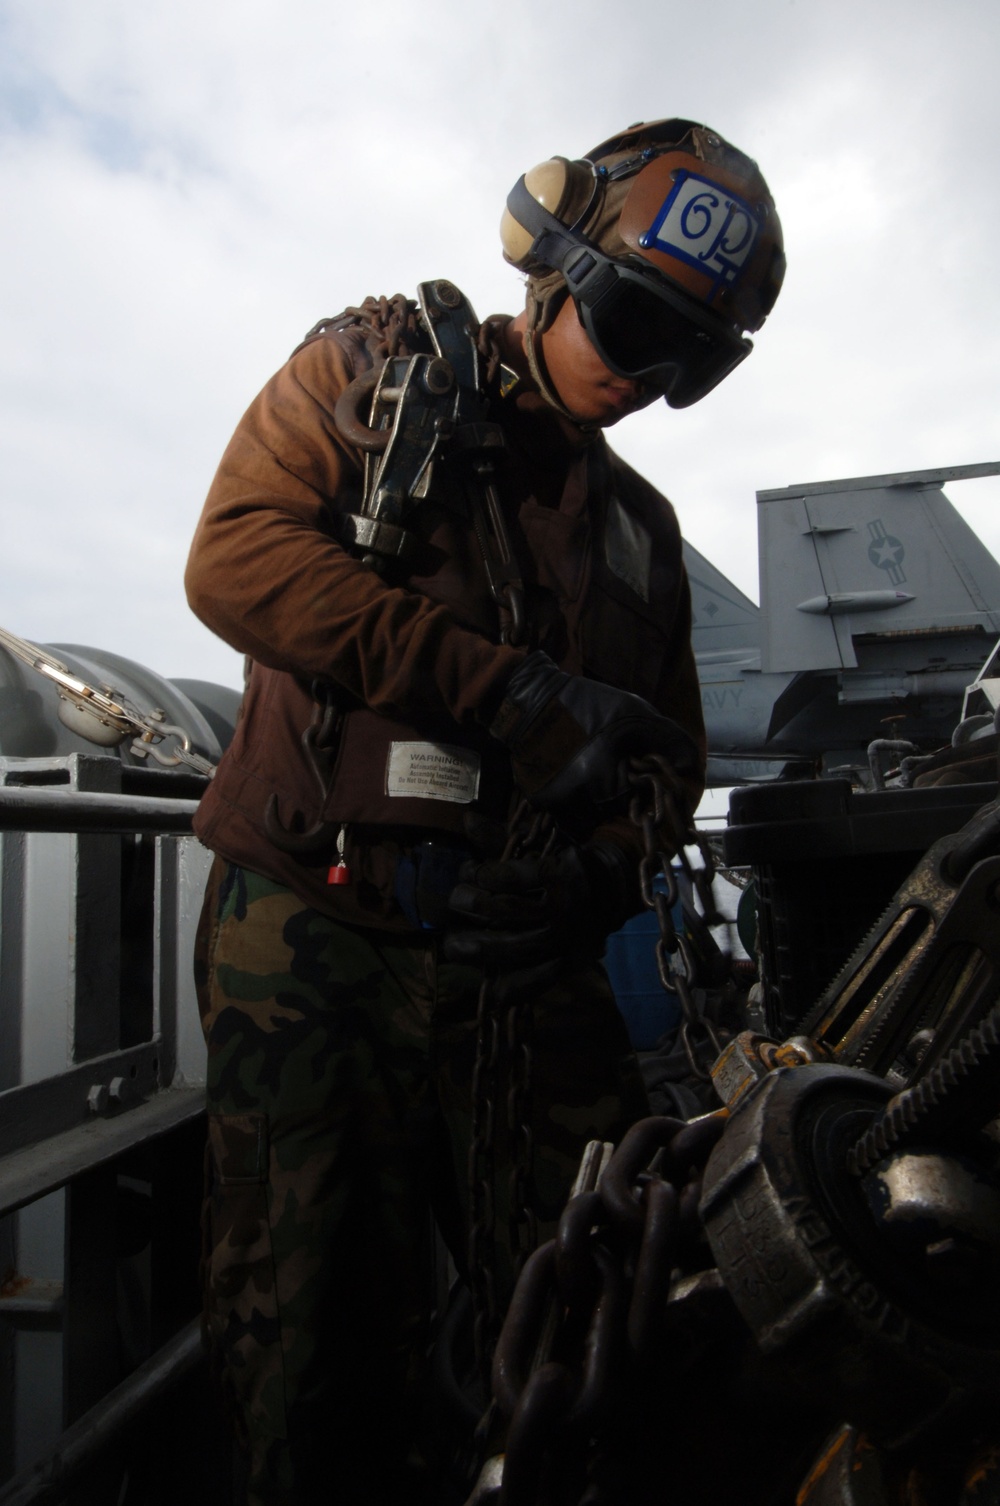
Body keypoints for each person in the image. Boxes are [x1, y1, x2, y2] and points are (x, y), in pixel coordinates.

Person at [185, 117, 784, 1505]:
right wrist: (503, 692)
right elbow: (235, 558)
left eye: (685, 360)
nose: (640, 373)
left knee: (588, 1317)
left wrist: (589, 883)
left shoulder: (639, 535)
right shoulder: (380, 374)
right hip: (319, 949)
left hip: (519, 967)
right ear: (552, 258)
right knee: (312, 1342)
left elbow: (665, 762)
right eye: (632, 319)